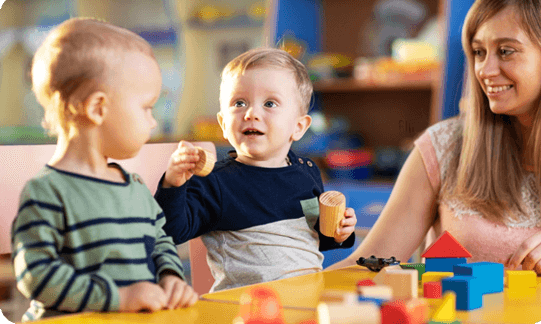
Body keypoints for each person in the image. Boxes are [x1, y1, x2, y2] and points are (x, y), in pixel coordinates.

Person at [328, 0, 541, 276]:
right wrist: (290, 292)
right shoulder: (443, 146)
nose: (485, 70)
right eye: (479, 52)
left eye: (506, 51)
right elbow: (367, 264)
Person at [11, 18, 198, 321]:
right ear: (98, 108)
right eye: (147, 108)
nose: (153, 122)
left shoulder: (135, 187)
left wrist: (171, 278)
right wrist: (118, 298)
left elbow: (160, 242)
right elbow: (36, 274)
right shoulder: (47, 192)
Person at [154, 47, 357, 291]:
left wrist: (339, 233)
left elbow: (314, 239)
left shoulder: (306, 172)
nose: (251, 113)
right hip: (243, 309)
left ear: (299, 127)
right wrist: (173, 184)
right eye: (239, 103)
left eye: (270, 103)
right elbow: (171, 232)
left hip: (306, 301)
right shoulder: (214, 181)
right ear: (223, 124)